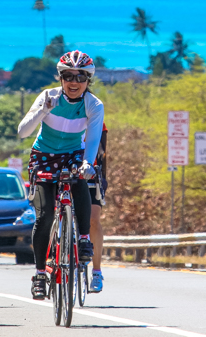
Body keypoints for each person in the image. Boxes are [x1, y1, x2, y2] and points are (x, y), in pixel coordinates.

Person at [18, 50, 104, 300]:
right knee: (44, 217)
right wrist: (42, 111)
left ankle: (84, 238)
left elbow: (94, 139)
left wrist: (88, 163)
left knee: (80, 181)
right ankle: (39, 275)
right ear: (61, 78)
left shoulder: (93, 105)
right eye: (68, 76)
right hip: (43, 155)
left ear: (88, 80)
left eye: (80, 77)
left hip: (74, 154)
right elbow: (23, 132)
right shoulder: (48, 97)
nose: (74, 82)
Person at [89, 123, 108, 292]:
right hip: (62, 170)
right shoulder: (58, 111)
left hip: (90, 174)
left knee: (93, 219)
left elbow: (103, 154)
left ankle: (96, 271)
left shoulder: (97, 119)